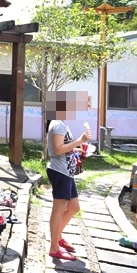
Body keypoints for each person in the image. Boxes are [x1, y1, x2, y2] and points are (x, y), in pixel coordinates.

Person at [46, 91, 91, 261]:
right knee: (58, 209)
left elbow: (63, 147)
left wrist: (77, 150)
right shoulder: (58, 124)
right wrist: (80, 140)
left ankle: (57, 236)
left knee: (73, 207)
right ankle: (54, 247)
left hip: (66, 171)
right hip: (60, 171)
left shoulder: (61, 123)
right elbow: (57, 149)